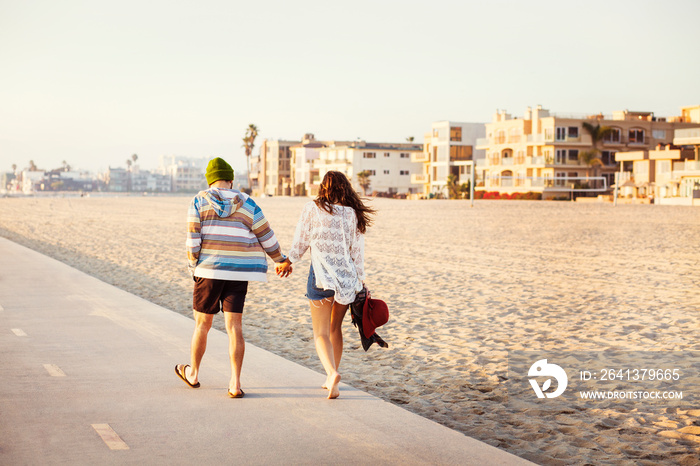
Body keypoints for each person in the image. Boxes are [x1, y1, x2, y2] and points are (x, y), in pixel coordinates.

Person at [175, 157, 291, 398]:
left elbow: (192, 240)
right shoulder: (248, 203)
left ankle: (194, 374)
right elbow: (265, 234)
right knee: (234, 327)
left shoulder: (198, 201)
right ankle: (235, 384)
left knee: (202, 325)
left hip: (208, 271)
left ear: (210, 180)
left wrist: (192, 267)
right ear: (230, 179)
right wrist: (280, 259)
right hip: (238, 272)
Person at [276, 171, 374, 399]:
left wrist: (287, 261)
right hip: (346, 280)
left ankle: (331, 374)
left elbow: (301, 241)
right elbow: (357, 253)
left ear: (323, 188)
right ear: (345, 189)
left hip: (320, 277)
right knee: (334, 329)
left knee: (320, 333)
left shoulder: (313, 208)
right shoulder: (352, 214)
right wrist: (359, 281)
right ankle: (334, 380)